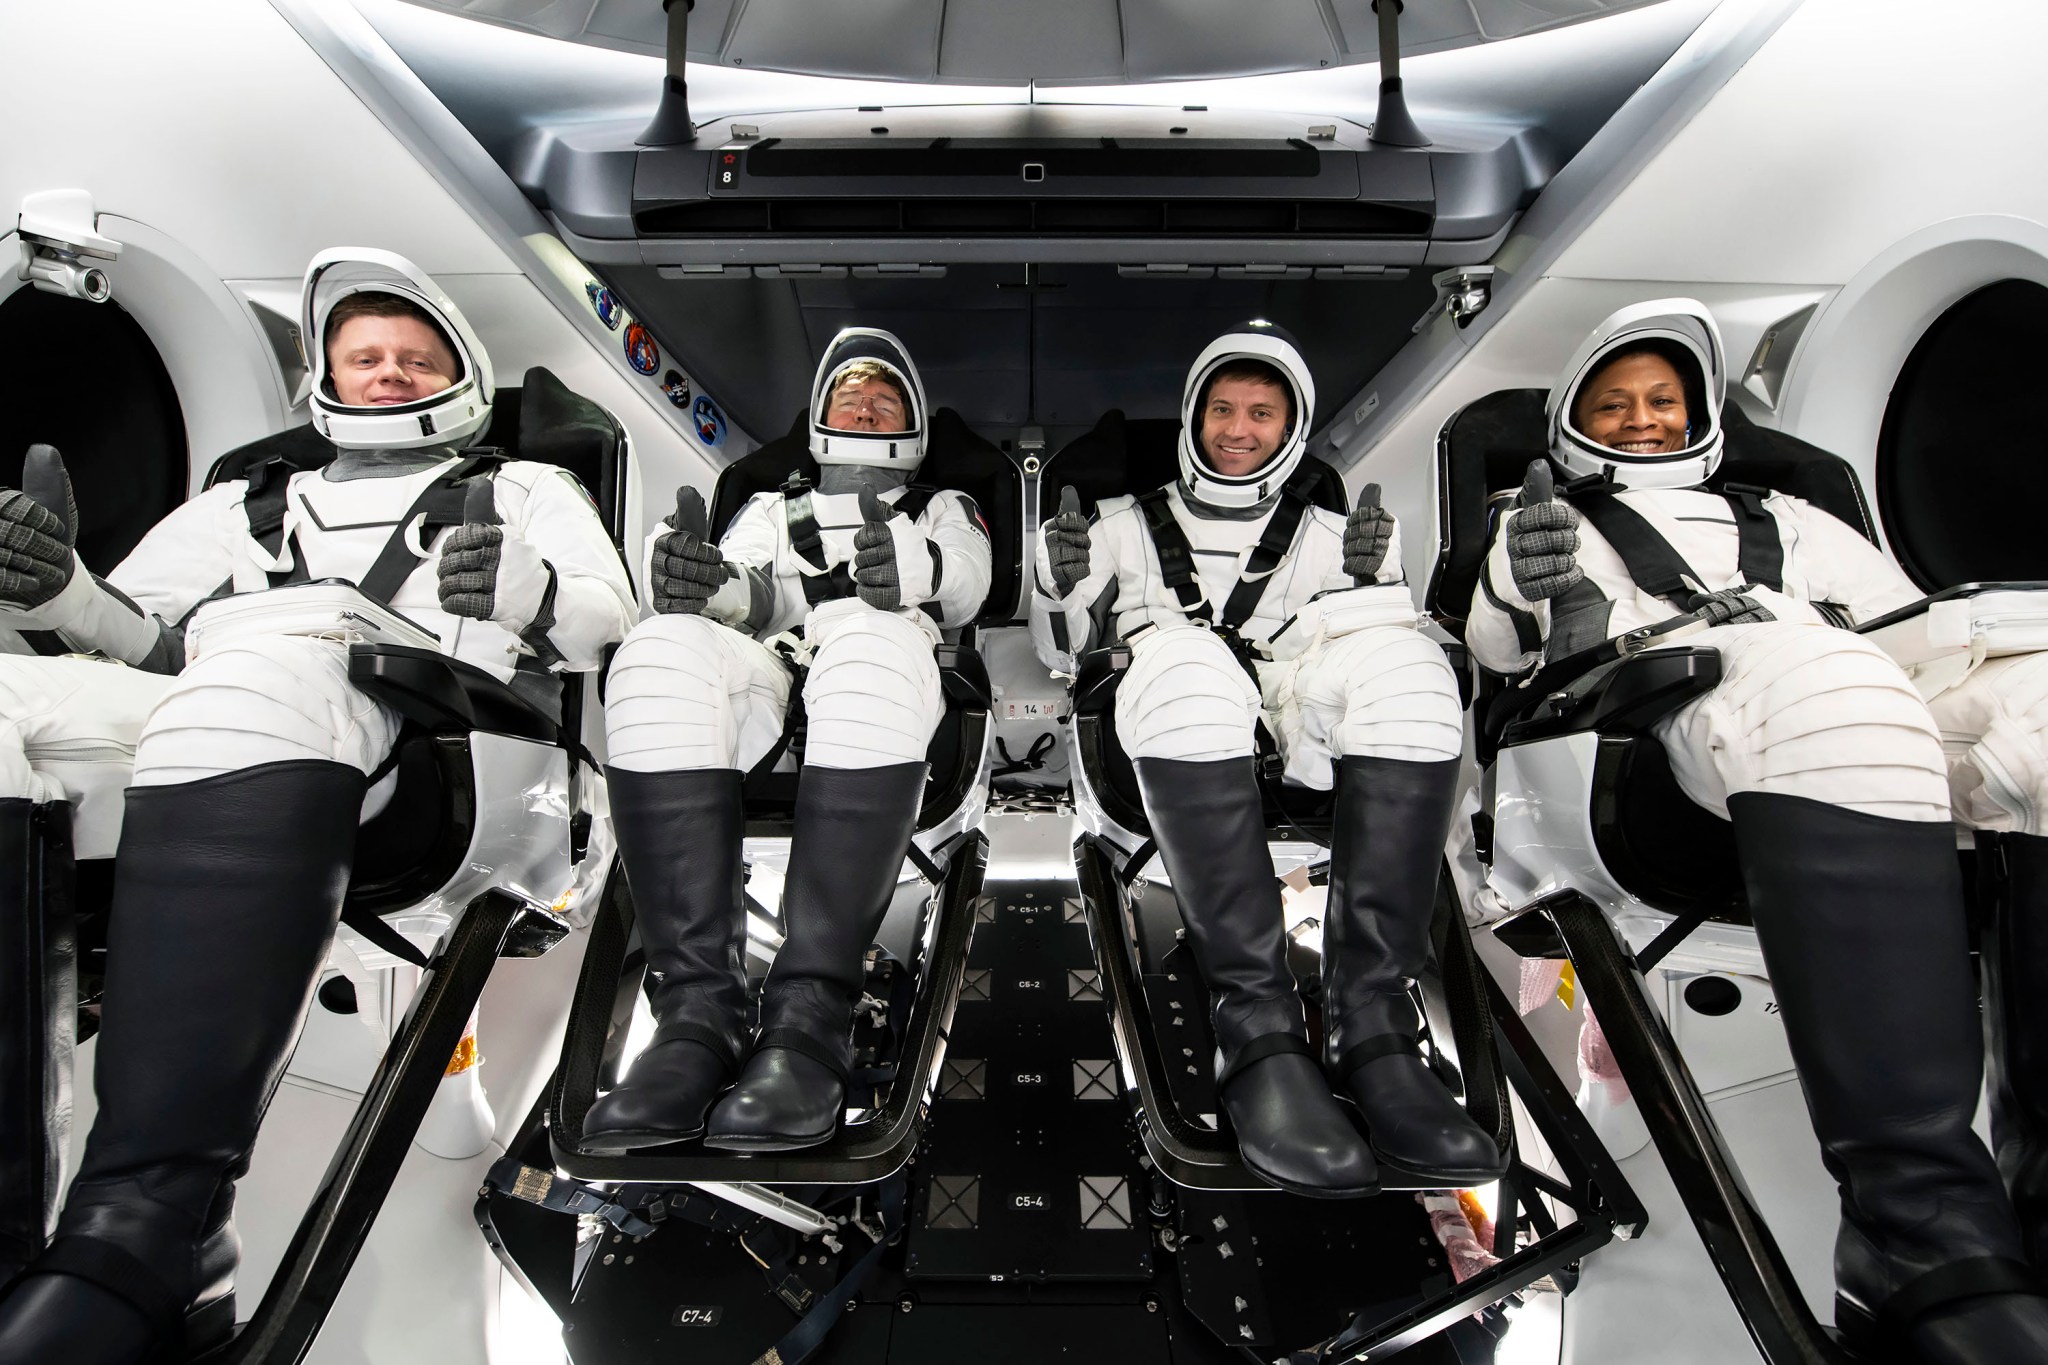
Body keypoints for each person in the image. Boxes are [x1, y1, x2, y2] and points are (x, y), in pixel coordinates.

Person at [0, 247, 635, 1365]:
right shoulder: (236, 506)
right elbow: (144, 643)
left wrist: (529, 591)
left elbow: (611, 633)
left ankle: (155, 1236)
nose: (388, 372)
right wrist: (65, 597)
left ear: (459, 369)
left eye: (413, 356)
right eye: (364, 354)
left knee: (267, 669)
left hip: (458, 755)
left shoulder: (531, 488)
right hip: (234, 712)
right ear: (324, 377)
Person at [1466, 298, 2048, 1364]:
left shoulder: (1792, 518)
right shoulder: (1541, 517)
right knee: (1829, 686)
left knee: (2038, 714)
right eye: (1614, 402)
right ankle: (1912, 1236)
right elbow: (1498, 641)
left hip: (1829, 685)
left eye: (1662, 399)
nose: (1641, 418)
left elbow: (1905, 626)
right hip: (1633, 730)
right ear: (1571, 416)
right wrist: (1526, 588)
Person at [1029, 321, 1498, 1199]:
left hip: (1298, 721)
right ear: (1194, 417)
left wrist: (1376, 594)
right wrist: (1066, 586)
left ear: (1292, 428)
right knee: (1187, 658)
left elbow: (1363, 647)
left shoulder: (1334, 532)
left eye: (1262, 413)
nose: (1238, 429)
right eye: (1222, 409)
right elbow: (1066, 652)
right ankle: (1258, 1030)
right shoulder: (1118, 526)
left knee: (1414, 669)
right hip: (1174, 711)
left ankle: (1375, 1028)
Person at [584, 327, 991, 1154]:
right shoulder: (774, 506)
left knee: (871, 643)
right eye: (850, 395)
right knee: (656, 648)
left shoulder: (941, 506)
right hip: (778, 670)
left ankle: (810, 1025)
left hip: (884, 661)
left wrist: (911, 568)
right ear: (819, 414)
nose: (866, 406)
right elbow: (753, 597)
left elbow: (967, 576)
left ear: (912, 425)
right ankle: (697, 1021)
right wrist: (709, 580)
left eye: (885, 398)